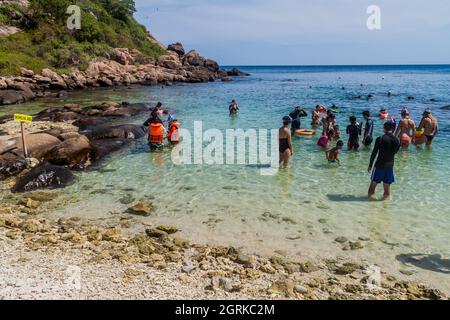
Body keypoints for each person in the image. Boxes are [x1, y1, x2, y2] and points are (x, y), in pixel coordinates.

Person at [368, 121, 401, 199]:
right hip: (390, 166)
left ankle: (370, 204)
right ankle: (385, 206)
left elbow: (374, 153)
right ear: (393, 129)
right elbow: (395, 152)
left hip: (379, 165)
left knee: (372, 186)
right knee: (387, 188)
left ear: (384, 128)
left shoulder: (380, 138)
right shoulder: (397, 140)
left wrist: (370, 165)